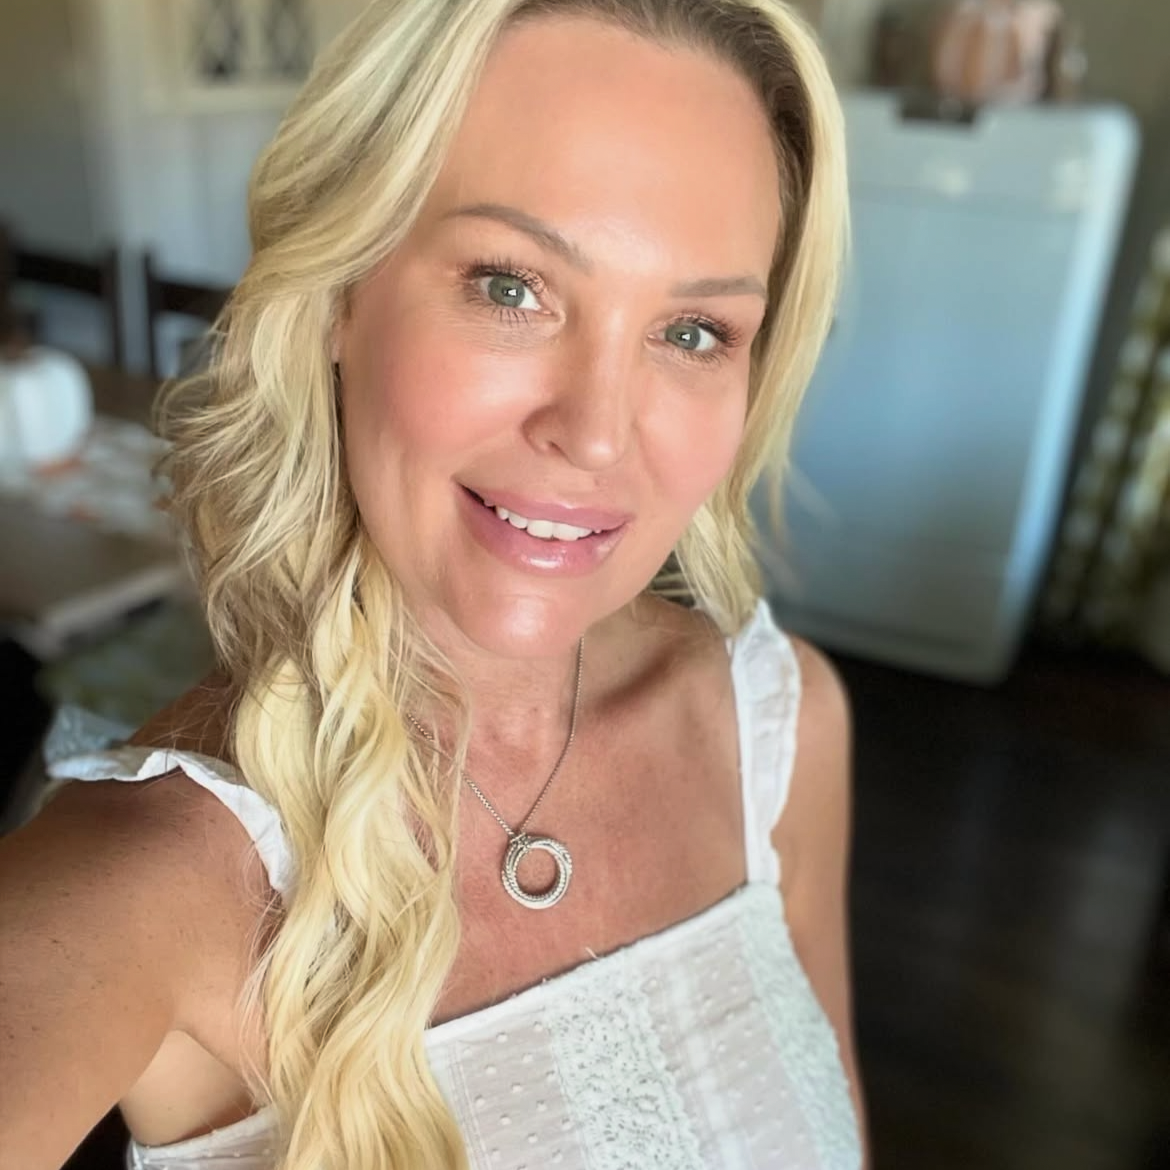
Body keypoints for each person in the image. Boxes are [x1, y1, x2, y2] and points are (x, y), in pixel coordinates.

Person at [0, 0, 863, 1167]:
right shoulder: (137, 886)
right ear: (343, 289)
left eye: (696, 331)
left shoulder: (780, 728)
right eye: (512, 287)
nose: (599, 434)